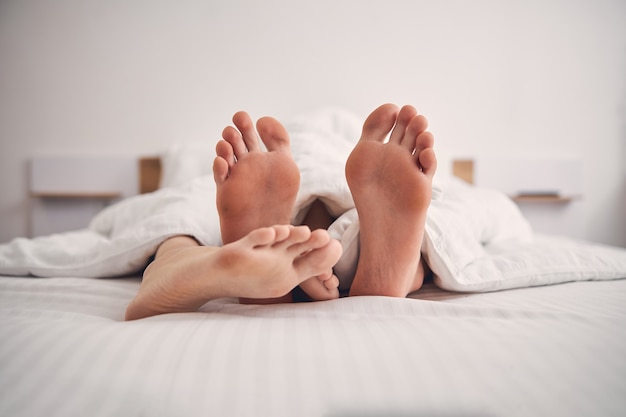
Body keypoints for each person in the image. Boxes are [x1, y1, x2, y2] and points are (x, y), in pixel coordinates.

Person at [124, 103, 437, 321]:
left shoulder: (237, 167)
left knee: (183, 218)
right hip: (356, 215)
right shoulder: (372, 152)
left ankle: (181, 259)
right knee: (437, 227)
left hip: (235, 213)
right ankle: (410, 272)